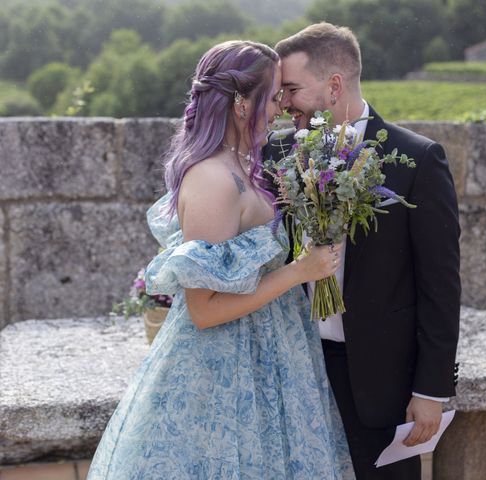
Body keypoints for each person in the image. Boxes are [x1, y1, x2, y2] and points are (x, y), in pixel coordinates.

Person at [87, 40, 354, 479]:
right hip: (223, 368)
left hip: (266, 354)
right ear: (241, 104)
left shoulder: (241, 165)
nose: (281, 108)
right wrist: (300, 271)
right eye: (272, 97)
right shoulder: (213, 179)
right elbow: (204, 309)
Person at [264, 23, 461, 479]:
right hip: (294, 369)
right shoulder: (276, 153)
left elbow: (441, 285)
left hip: (379, 380)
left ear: (334, 85)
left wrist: (431, 390)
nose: (282, 103)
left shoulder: (416, 159)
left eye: (291, 89)